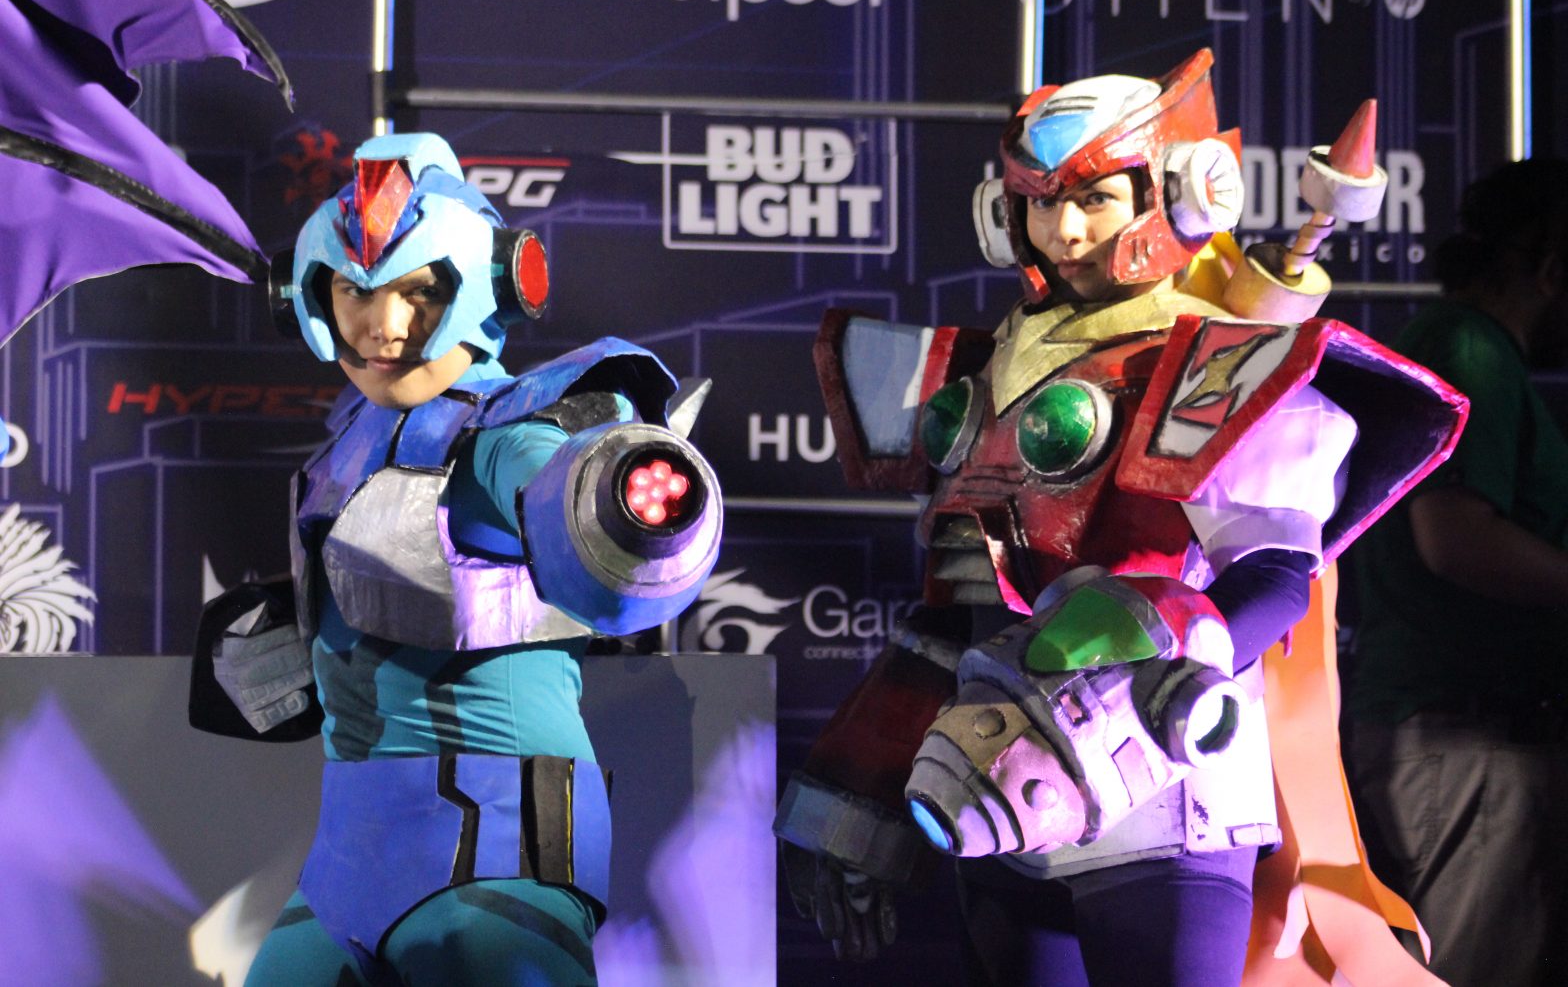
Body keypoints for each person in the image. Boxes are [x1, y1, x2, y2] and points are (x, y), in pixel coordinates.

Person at [775, 50, 1462, 985]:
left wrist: (1152, 666)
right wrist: (860, 784)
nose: (1063, 230)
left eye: (1094, 197)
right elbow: (955, 617)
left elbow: (1274, 579)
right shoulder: (979, 377)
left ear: (1181, 190)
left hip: (1163, 788)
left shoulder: (1223, 363)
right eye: (1039, 201)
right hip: (1002, 796)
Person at [189, 132, 722, 986]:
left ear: (490, 285)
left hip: (497, 848)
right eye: (354, 291)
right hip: (349, 858)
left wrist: (618, 501)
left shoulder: (509, 432)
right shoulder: (347, 448)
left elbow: (576, 497)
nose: (383, 325)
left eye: (418, 290)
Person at [1345, 157, 1568, 987]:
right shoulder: (1467, 345)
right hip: (1459, 740)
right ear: (1551, 270)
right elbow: (1455, 538)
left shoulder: (1463, 345)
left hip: (1459, 742)